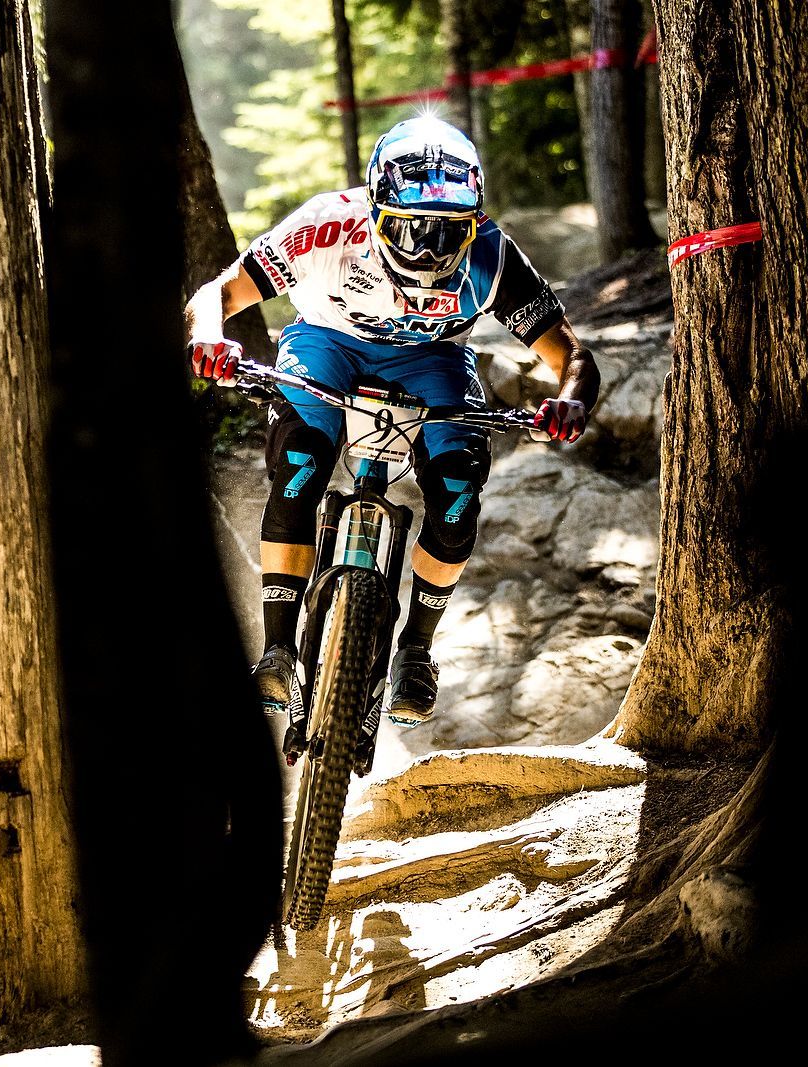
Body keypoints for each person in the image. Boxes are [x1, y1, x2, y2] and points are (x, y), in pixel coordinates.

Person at [184, 116, 599, 726]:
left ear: (473, 223)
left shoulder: (489, 252)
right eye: (411, 231)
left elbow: (572, 355)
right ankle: (277, 647)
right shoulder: (324, 227)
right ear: (373, 212)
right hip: (329, 342)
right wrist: (211, 338)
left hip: (432, 359)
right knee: (300, 461)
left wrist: (570, 401)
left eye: (449, 232)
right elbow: (219, 294)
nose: (430, 249)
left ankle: (416, 650)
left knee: (457, 495)